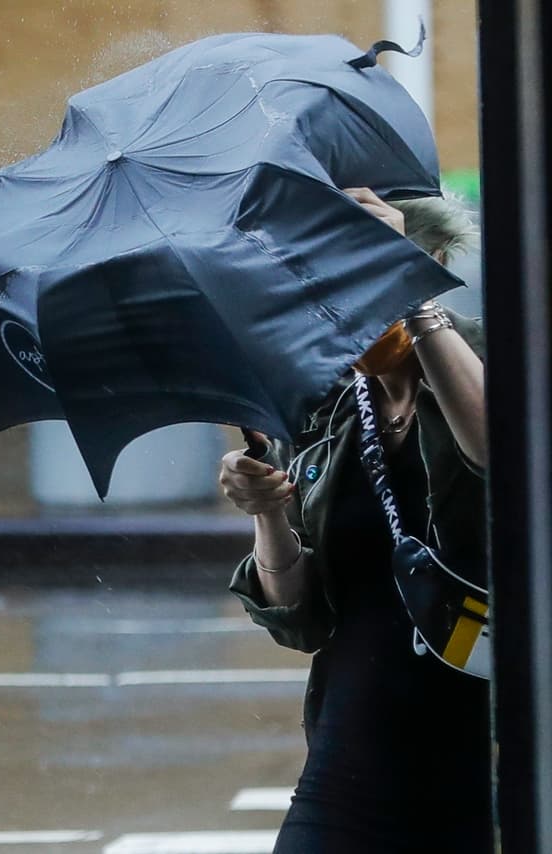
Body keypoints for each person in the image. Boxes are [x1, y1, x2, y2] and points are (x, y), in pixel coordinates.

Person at [220, 188, 490, 853]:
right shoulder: (322, 404)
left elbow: (501, 454)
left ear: (428, 263)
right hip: (356, 745)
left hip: (492, 745)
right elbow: (300, 618)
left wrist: (411, 299)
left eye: (368, 273)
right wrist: (270, 515)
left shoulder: (490, 354)